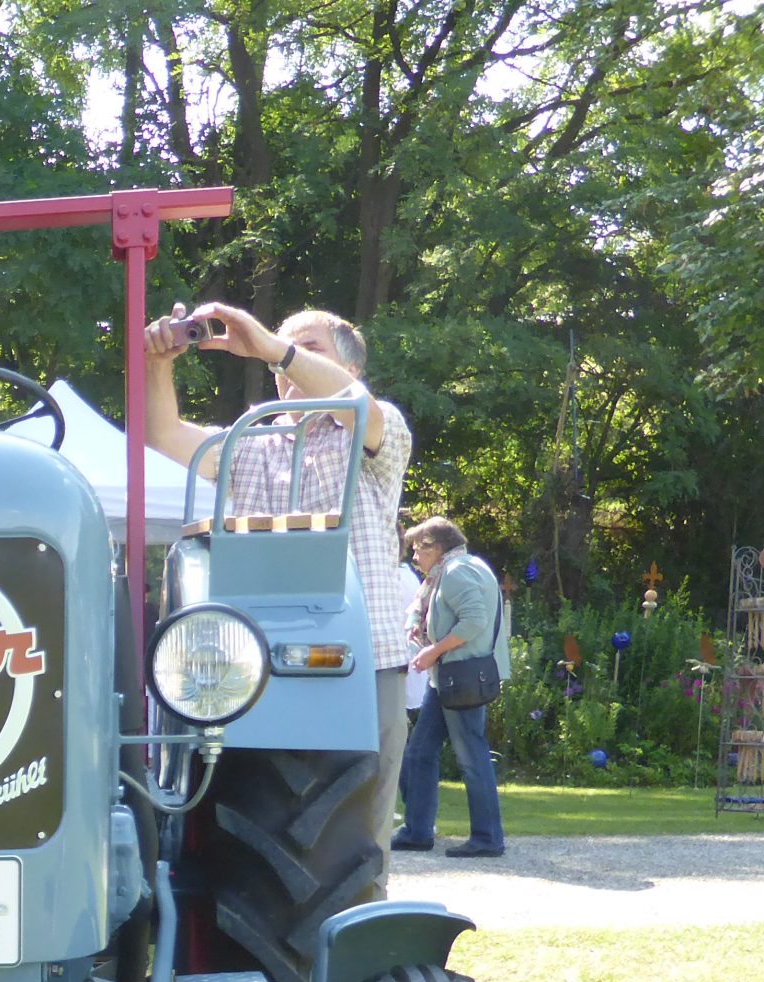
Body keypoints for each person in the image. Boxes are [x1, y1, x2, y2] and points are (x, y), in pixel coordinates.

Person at [141, 303, 418, 855]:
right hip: (263, 665)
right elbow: (163, 434)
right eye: (282, 359)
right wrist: (158, 363)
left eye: (310, 350)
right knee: (252, 828)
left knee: (360, 839)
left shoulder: (373, 427)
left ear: (350, 370)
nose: (287, 365)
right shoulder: (251, 443)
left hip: (366, 663)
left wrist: (270, 346)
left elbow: (355, 406)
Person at [393, 515, 506, 857]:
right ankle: (417, 831)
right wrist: (425, 635)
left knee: (471, 756)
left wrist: (433, 650)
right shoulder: (459, 568)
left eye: (419, 549)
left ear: (436, 547)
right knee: (420, 751)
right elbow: (440, 612)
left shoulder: (456, 572)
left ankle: (488, 838)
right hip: (447, 678)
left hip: (460, 677)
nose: (414, 557)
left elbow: (474, 620)